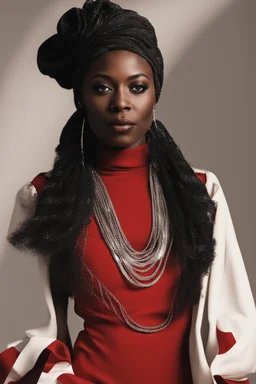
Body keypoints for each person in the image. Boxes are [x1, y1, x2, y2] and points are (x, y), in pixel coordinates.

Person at [0, 0, 255, 383]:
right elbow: (38, 331)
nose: (121, 103)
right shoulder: (45, 199)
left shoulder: (202, 194)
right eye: (102, 87)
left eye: (137, 87)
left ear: (155, 95)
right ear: (82, 98)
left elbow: (234, 320)